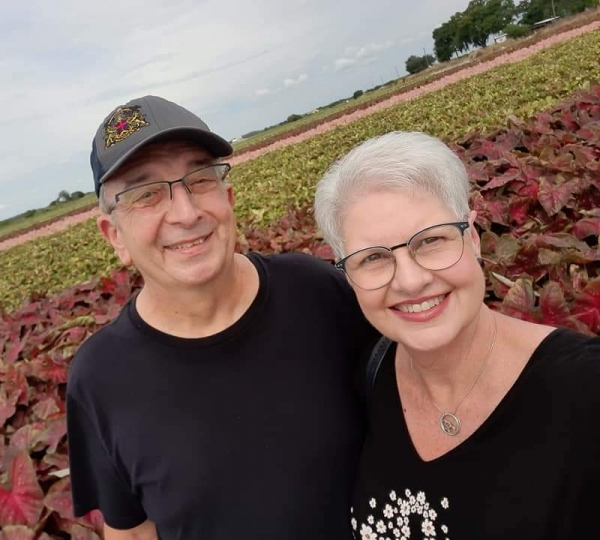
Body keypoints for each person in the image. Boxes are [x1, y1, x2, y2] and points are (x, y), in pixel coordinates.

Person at [65, 95, 378, 540]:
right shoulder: (99, 377)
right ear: (114, 233)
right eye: (146, 194)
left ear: (227, 196)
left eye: (199, 179)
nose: (186, 213)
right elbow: (132, 532)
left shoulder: (319, 291)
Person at [313, 131, 600, 539]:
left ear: (473, 238)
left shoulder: (586, 392)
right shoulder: (370, 382)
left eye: (431, 241)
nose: (410, 282)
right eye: (373, 258)